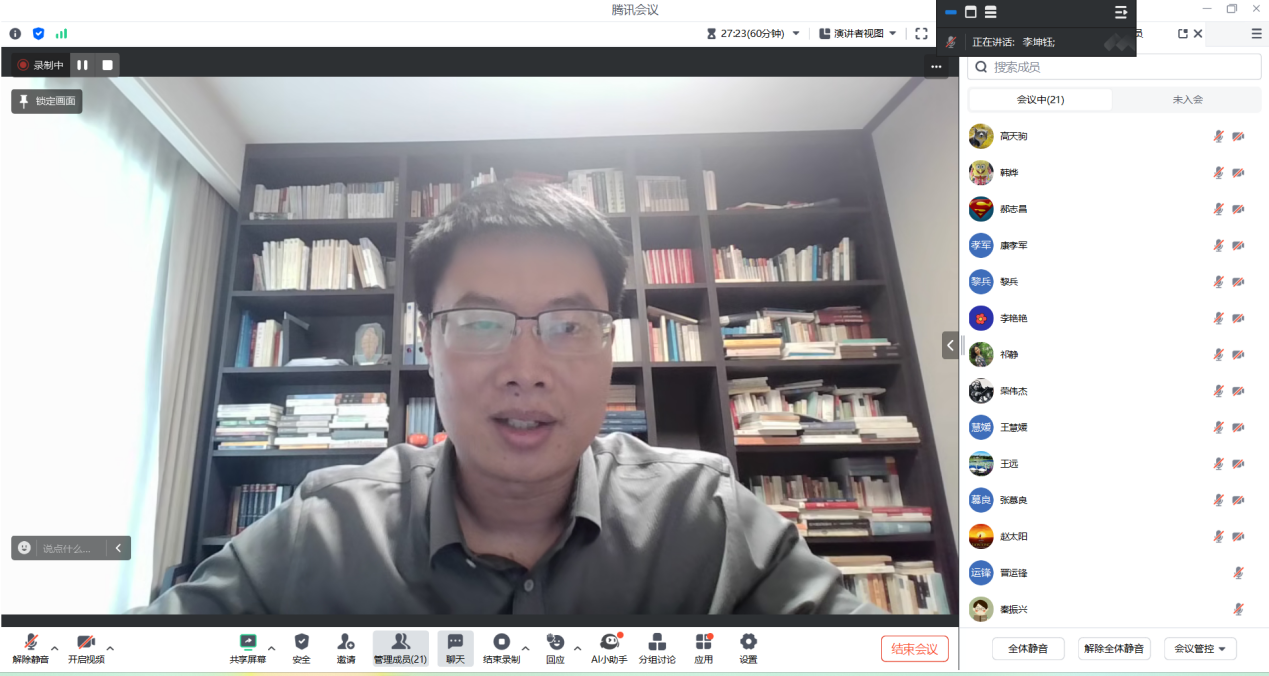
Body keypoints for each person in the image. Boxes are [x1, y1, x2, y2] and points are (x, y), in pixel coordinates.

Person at [135, 181, 884, 614]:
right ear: (427, 344)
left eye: (569, 326)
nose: (526, 370)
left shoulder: (708, 518)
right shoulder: (325, 529)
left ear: (610, 344)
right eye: (481, 324)